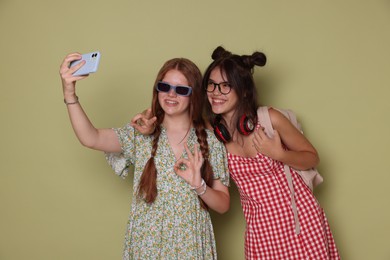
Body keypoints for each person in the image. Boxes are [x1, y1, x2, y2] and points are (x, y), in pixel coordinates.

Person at [134, 46, 340, 259]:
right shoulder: (212, 132)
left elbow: (311, 156)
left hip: (301, 225)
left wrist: (279, 154)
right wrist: (148, 123)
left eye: (225, 86)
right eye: (212, 85)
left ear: (243, 91)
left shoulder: (270, 119)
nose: (216, 93)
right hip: (260, 233)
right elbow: (175, 116)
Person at [59, 53, 230, 259]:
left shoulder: (210, 141)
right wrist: (69, 93)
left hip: (191, 246)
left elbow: (223, 205)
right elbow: (91, 137)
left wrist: (199, 185)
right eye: (165, 87)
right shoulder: (140, 134)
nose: (171, 95)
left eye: (181, 90)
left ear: (194, 94)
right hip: (146, 245)